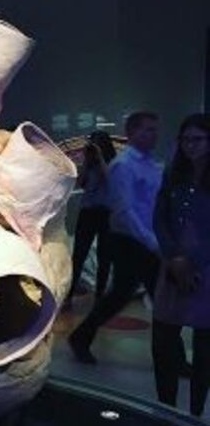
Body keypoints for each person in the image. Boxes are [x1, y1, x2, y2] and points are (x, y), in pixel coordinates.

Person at [68, 112, 162, 363]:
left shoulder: (151, 165)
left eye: (155, 129)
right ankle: (171, 358)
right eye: (147, 129)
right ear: (131, 133)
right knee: (138, 296)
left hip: (140, 239)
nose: (153, 134)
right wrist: (152, 242)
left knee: (122, 295)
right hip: (131, 240)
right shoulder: (123, 166)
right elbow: (124, 210)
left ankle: (81, 337)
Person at [152, 114, 210, 417]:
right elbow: (160, 217)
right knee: (163, 338)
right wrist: (174, 257)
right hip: (173, 266)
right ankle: (167, 410)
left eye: (197, 139)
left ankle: (196, 414)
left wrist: (194, 263)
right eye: (185, 139)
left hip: (205, 269)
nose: (190, 145)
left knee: (204, 347)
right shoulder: (174, 172)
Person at [65, 130, 116, 306]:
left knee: (104, 256)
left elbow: (111, 180)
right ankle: (69, 295)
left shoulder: (114, 164)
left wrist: (100, 158)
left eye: (97, 144)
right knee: (79, 255)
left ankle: (100, 297)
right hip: (88, 212)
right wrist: (87, 162)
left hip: (107, 213)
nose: (94, 148)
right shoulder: (89, 164)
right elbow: (81, 183)